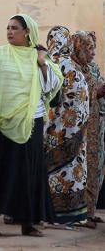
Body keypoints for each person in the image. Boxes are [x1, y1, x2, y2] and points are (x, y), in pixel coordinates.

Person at [0, 14, 62, 237]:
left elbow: (50, 89)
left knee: (28, 173)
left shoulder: (37, 56)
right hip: (4, 122)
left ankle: (28, 223)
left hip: (31, 121)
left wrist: (42, 62)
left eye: (14, 28)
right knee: (0, 171)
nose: (9, 32)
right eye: (7, 28)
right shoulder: (1, 54)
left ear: (27, 32)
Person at [43, 26, 89, 226]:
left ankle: (63, 214)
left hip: (65, 130)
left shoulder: (56, 64)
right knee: (68, 172)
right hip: (69, 130)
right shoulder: (65, 65)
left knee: (63, 172)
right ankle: (68, 215)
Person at [71, 31, 104, 227]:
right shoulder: (73, 69)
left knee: (96, 167)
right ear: (78, 47)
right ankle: (81, 214)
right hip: (81, 127)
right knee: (82, 169)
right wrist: (96, 91)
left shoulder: (89, 68)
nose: (93, 52)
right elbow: (74, 96)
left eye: (94, 47)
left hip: (95, 124)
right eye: (89, 47)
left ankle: (90, 211)